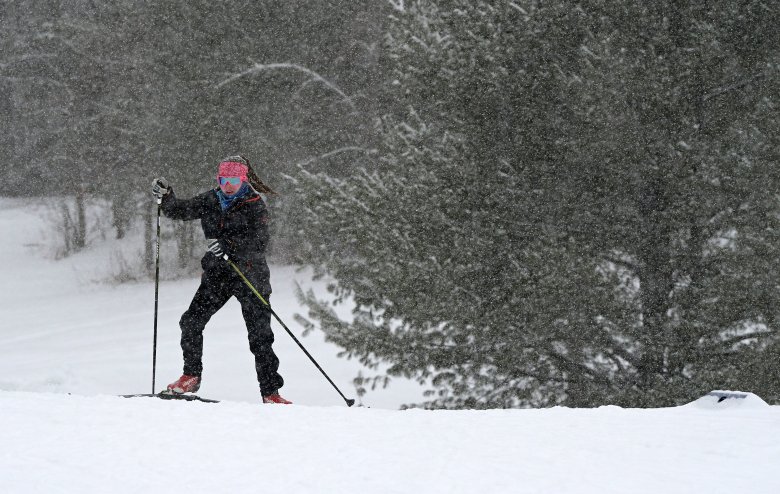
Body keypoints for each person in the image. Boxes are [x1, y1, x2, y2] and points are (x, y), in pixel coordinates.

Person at [152, 155, 291, 404]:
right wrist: (166, 197)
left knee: (260, 336)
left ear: (243, 180)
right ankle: (191, 376)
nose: (228, 185)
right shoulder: (211, 199)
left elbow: (260, 242)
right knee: (191, 322)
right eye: (224, 180)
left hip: (249, 276)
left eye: (234, 181)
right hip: (218, 275)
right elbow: (180, 210)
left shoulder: (254, 204)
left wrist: (228, 245)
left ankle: (270, 392)